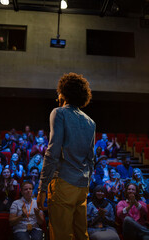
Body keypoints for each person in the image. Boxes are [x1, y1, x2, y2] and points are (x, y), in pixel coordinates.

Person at [37, 72, 96, 240]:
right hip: (82, 187)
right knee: (81, 235)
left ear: (62, 93)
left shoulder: (59, 113)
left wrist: (42, 188)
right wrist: (84, 183)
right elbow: (91, 160)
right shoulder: (90, 122)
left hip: (63, 184)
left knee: (61, 235)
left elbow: (53, 152)